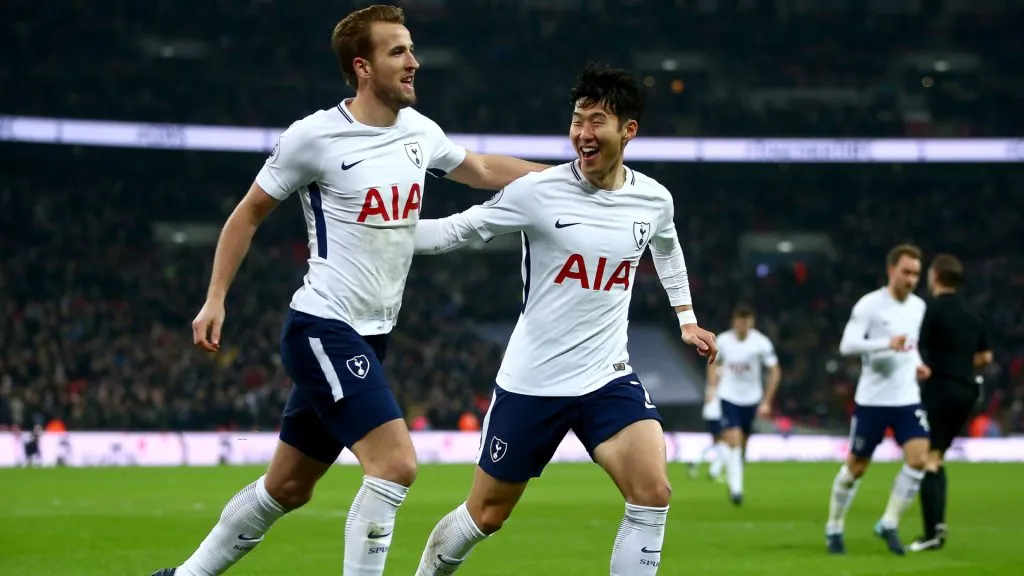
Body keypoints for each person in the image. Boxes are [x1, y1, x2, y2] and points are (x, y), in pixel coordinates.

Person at [150, 5, 546, 576]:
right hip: (322, 328)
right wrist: (215, 298)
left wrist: (563, 178)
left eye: (411, 49)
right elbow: (247, 215)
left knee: (287, 487)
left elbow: (481, 168)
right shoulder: (314, 137)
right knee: (394, 465)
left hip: (371, 335)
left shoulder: (419, 132)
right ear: (363, 67)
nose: (415, 61)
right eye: (398, 52)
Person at [408, 62, 717, 576]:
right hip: (534, 382)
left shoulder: (653, 199)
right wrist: (379, 234)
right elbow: (457, 231)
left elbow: (667, 248)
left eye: (597, 120)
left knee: (653, 492)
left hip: (606, 377)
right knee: (486, 514)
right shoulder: (540, 192)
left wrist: (685, 316)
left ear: (628, 131)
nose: (583, 133)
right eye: (577, 120)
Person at [825, 244, 931, 556]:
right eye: (906, 272)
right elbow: (847, 345)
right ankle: (834, 526)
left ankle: (889, 522)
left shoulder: (918, 307)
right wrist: (886, 343)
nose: (911, 279)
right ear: (891, 271)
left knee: (918, 460)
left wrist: (918, 364)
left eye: (916, 274)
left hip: (907, 397)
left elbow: (910, 346)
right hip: (872, 400)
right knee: (856, 468)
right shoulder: (869, 305)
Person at [909, 254, 992, 552]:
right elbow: (985, 357)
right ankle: (937, 529)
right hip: (967, 391)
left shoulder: (931, 310)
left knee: (928, 459)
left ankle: (931, 534)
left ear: (935, 277)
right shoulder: (973, 312)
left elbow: (920, 351)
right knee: (937, 457)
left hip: (940, 389)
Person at [705, 304, 780, 505]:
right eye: (740, 321)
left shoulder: (761, 343)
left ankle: (734, 475)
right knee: (733, 439)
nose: (742, 325)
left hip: (752, 399)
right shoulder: (723, 340)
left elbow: (774, 371)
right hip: (728, 396)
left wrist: (767, 401)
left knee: (742, 444)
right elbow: (713, 363)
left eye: (746, 322)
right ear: (734, 322)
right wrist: (712, 389)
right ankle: (736, 489)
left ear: (751, 323)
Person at [687, 392, 726, 483]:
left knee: (718, 443)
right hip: (716, 415)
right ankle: (714, 472)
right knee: (724, 443)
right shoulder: (720, 383)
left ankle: (696, 462)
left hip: (711, 413)